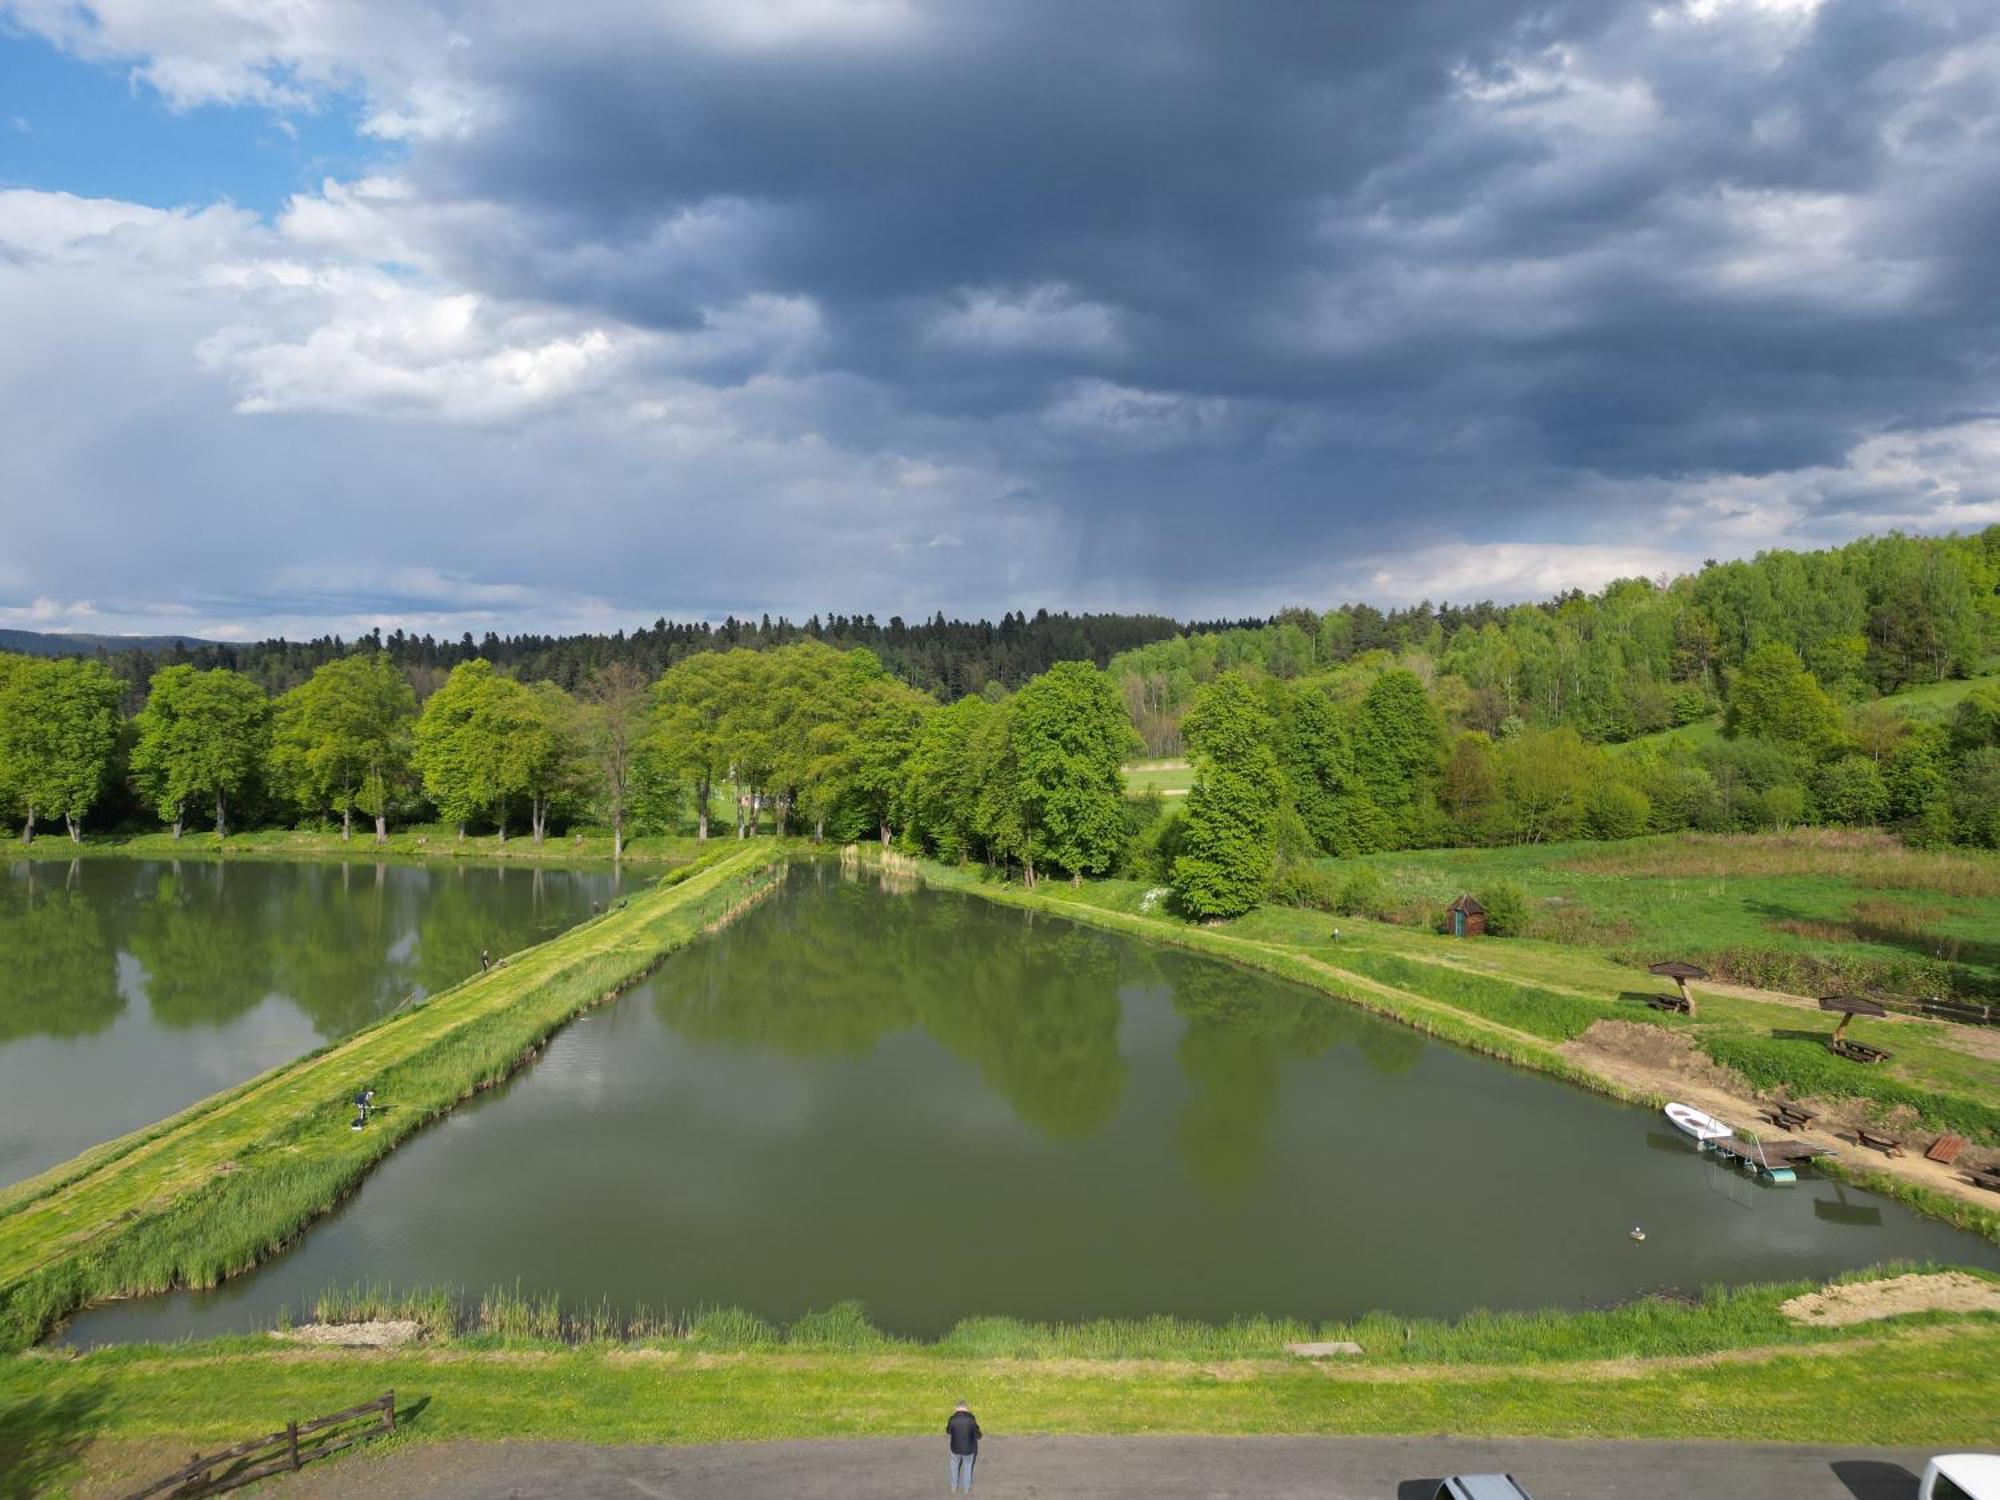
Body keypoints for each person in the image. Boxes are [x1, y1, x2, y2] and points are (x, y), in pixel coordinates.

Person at [945, 1401, 981, 1493]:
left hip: (955, 1448)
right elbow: (977, 1434)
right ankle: (966, 1488)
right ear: (966, 1408)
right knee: (967, 1467)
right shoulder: (971, 1419)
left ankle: (953, 1487)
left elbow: (948, 1431)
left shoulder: (952, 1419)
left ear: (957, 1408)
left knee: (954, 1466)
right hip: (969, 1449)